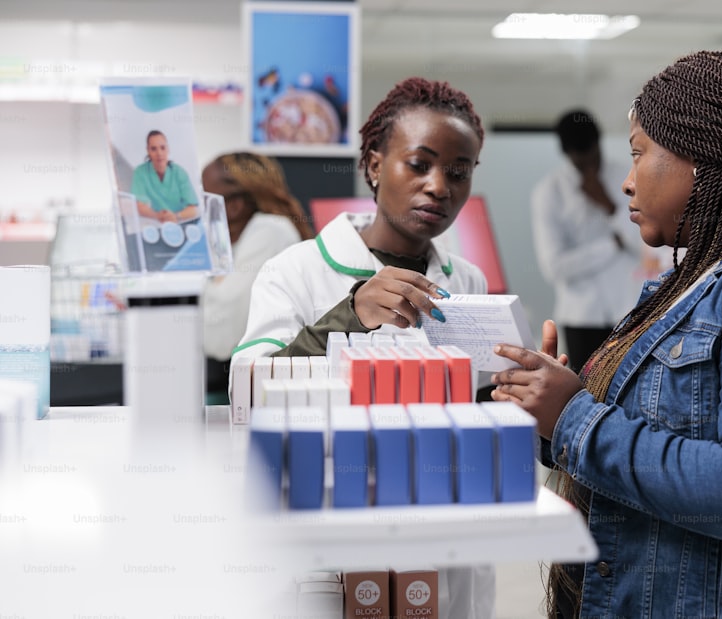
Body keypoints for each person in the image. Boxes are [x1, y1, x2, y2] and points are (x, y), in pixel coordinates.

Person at [490, 51, 722, 619]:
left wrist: (575, 417)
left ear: (703, 162)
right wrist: (554, 417)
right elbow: (671, 432)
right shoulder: (699, 281)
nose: (626, 180)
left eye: (639, 153)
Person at [233, 77, 494, 619]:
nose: (439, 186)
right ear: (375, 165)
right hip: (329, 527)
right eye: (419, 164)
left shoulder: (465, 280)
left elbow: (473, 411)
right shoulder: (297, 270)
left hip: (440, 534)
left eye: (458, 171)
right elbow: (250, 393)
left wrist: (518, 393)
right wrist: (348, 316)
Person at [531, 109, 644, 372]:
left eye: (594, 157)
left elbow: (646, 243)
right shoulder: (549, 193)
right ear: (567, 154)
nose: (590, 167)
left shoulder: (627, 178)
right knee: (586, 392)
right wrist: (612, 244)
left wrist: (609, 205)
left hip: (628, 312)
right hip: (580, 318)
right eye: (582, 162)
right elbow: (555, 267)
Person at [200, 152, 313, 389]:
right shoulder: (245, 239)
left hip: (262, 383)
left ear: (234, 206)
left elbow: (223, 332)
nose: (199, 211)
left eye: (205, 199)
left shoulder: (270, 231)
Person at [131, 130, 200, 222]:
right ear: (148, 151)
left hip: (182, 224)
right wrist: (157, 216)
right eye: (154, 149)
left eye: (162, 148)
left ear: (168, 149)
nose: (159, 153)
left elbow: (193, 209)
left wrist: (176, 217)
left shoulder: (179, 173)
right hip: (155, 225)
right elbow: (139, 206)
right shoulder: (140, 173)